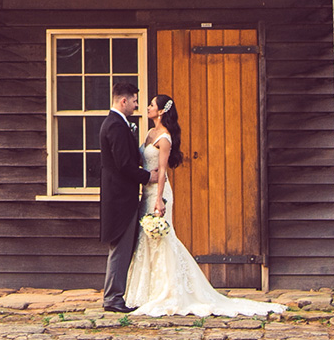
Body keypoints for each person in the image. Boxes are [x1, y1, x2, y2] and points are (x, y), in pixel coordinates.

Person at [124, 96, 285, 318]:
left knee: (163, 239)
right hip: (146, 192)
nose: (148, 108)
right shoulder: (150, 133)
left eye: (152, 105)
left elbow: (162, 171)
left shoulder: (164, 138)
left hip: (158, 193)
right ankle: (146, 292)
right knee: (147, 240)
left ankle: (169, 290)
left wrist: (159, 199)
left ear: (161, 111)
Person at [98, 78, 150, 312]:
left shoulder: (117, 123)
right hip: (119, 198)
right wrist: (149, 177)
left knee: (122, 247)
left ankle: (115, 295)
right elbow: (124, 166)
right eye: (134, 101)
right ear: (123, 101)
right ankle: (113, 298)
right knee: (120, 247)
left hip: (120, 196)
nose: (136, 106)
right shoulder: (116, 126)